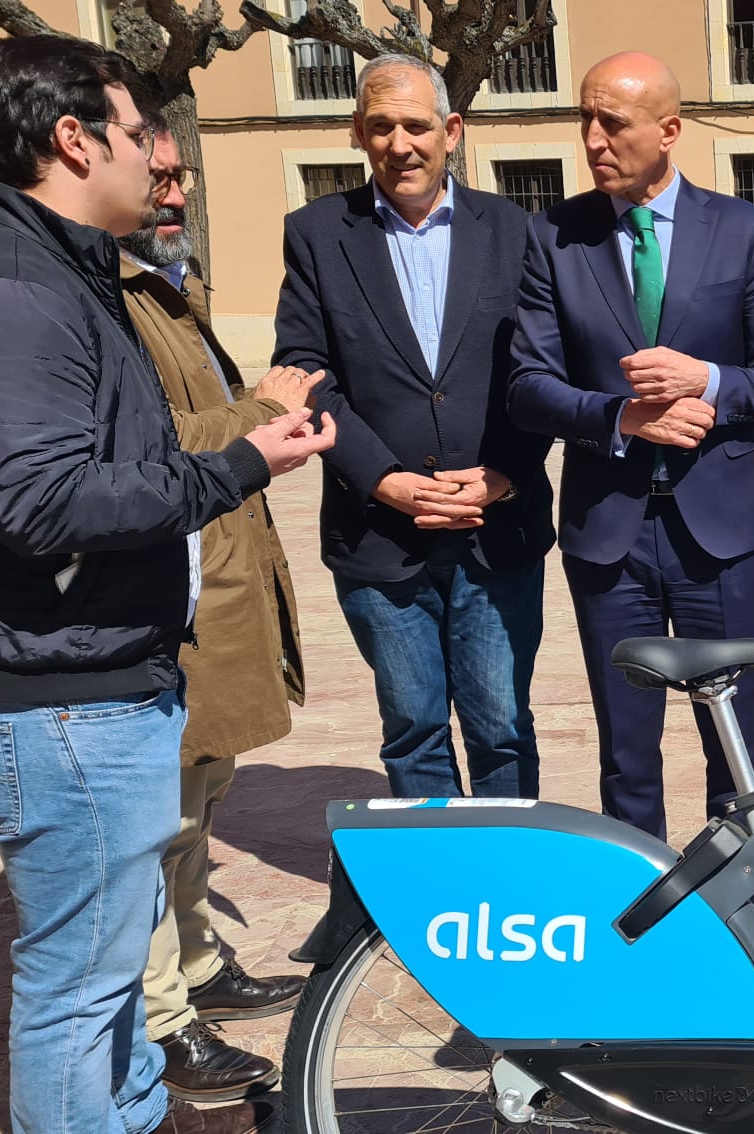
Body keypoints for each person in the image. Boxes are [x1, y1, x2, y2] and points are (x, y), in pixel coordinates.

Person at [0, 35, 332, 1134]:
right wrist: (242, 465)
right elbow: (42, 502)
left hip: (86, 677)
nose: (157, 155)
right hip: (51, 697)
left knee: (103, 991)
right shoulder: (6, 290)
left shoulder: (59, 270)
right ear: (72, 139)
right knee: (81, 991)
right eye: (139, 130)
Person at [508, 51, 754, 841]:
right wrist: (620, 418)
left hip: (724, 536)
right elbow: (526, 386)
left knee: (734, 749)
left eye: (615, 122)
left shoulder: (740, 229)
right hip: (611, 538)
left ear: (669, 131)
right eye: (586, 119)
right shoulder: (553, 237)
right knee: (627, 753)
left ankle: (737, 928)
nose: (594, 138)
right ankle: (644, 935)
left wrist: (705, 378)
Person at [273, 54, 555, 799]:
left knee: (501, 723)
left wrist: (504, 474)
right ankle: (438, 902)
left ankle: (505, 901)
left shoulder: (517, 232)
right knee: (413, 729)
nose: (401, 144)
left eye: (417, 125)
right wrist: (385, 479)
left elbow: (545, 370)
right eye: (381, 126)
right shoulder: (316, 234)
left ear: (451, 131)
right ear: (358, 134)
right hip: (380, 535)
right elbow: (304, 370)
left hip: (497, 531)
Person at [119, 119, 314, 1103]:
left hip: (217, 583)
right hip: (168, 596)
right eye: (155, 176)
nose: (174, 194)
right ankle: (164, 1020)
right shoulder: (100, 301)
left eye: (178, 178)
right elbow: (139, 444)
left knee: (200, 804)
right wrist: (260, 411)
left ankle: (200, 970)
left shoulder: (162, 287)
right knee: (158, 819)